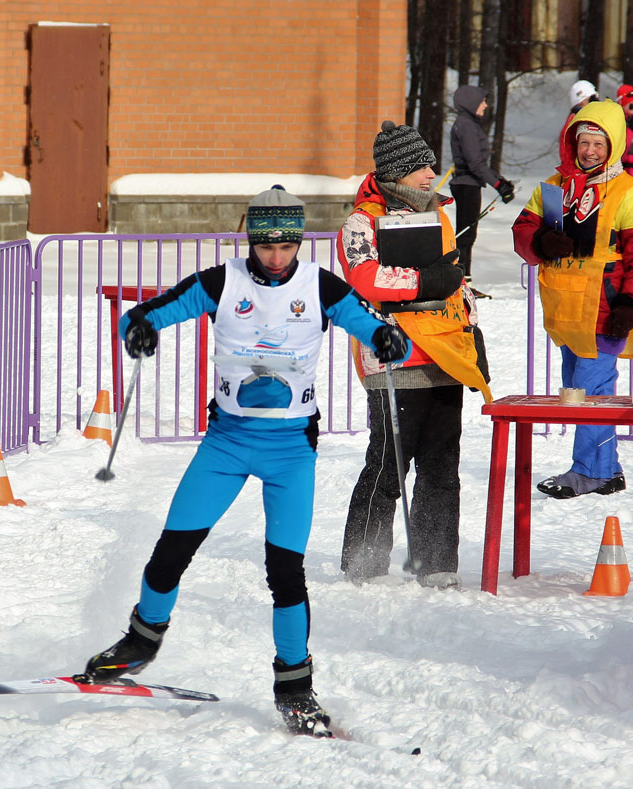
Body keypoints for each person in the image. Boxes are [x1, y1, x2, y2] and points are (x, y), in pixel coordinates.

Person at [81, 186, 410, 737]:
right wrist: (137, 328)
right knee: (172, 550)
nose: (276, 257)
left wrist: (386, 338)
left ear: (299, 242)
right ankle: (141, 642)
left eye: (286, 246)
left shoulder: (321, 287)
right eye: (265, 246)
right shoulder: (222, 282)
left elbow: (372, 325)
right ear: (250, 240)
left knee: (285, 572)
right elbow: (145, 314)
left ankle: (296, 689)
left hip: (290, 451)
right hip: (227, 443)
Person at [336, 121, 492, 592]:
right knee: (388, 464)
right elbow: (365, 278)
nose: (431, 175)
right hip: (394, 359)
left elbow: (456, 283)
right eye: (422, 167)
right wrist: (424, 282)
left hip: (445, 356)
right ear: (398, 172)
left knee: (442, 465)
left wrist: (472, 334)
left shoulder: (438, 215)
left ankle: (436, 560)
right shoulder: (362, 222)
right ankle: (363, 560)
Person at [512, 100, 633, 499]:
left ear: (614, 145)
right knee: (584, 392)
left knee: (590, 394)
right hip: (564, 311)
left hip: (606, 311)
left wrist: (631, 305)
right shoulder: (554, 187)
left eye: (598, 143)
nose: (590, 151)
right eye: (584, 142)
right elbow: (521, 230)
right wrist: (541, 240)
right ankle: (606, 470)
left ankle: (588, 472)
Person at [449, 85, 516, 295]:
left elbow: (477, 163)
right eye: (482, 101)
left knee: (467, 233)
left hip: (467, 183)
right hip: (467, 185)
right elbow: (475, 163)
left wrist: (500, 181)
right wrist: (498, 185)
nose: (485, 105)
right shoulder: (467, 125)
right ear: (471, 102)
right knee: (466, 235)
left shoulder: (467, 124)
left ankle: (463, 281)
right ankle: (461, 284)